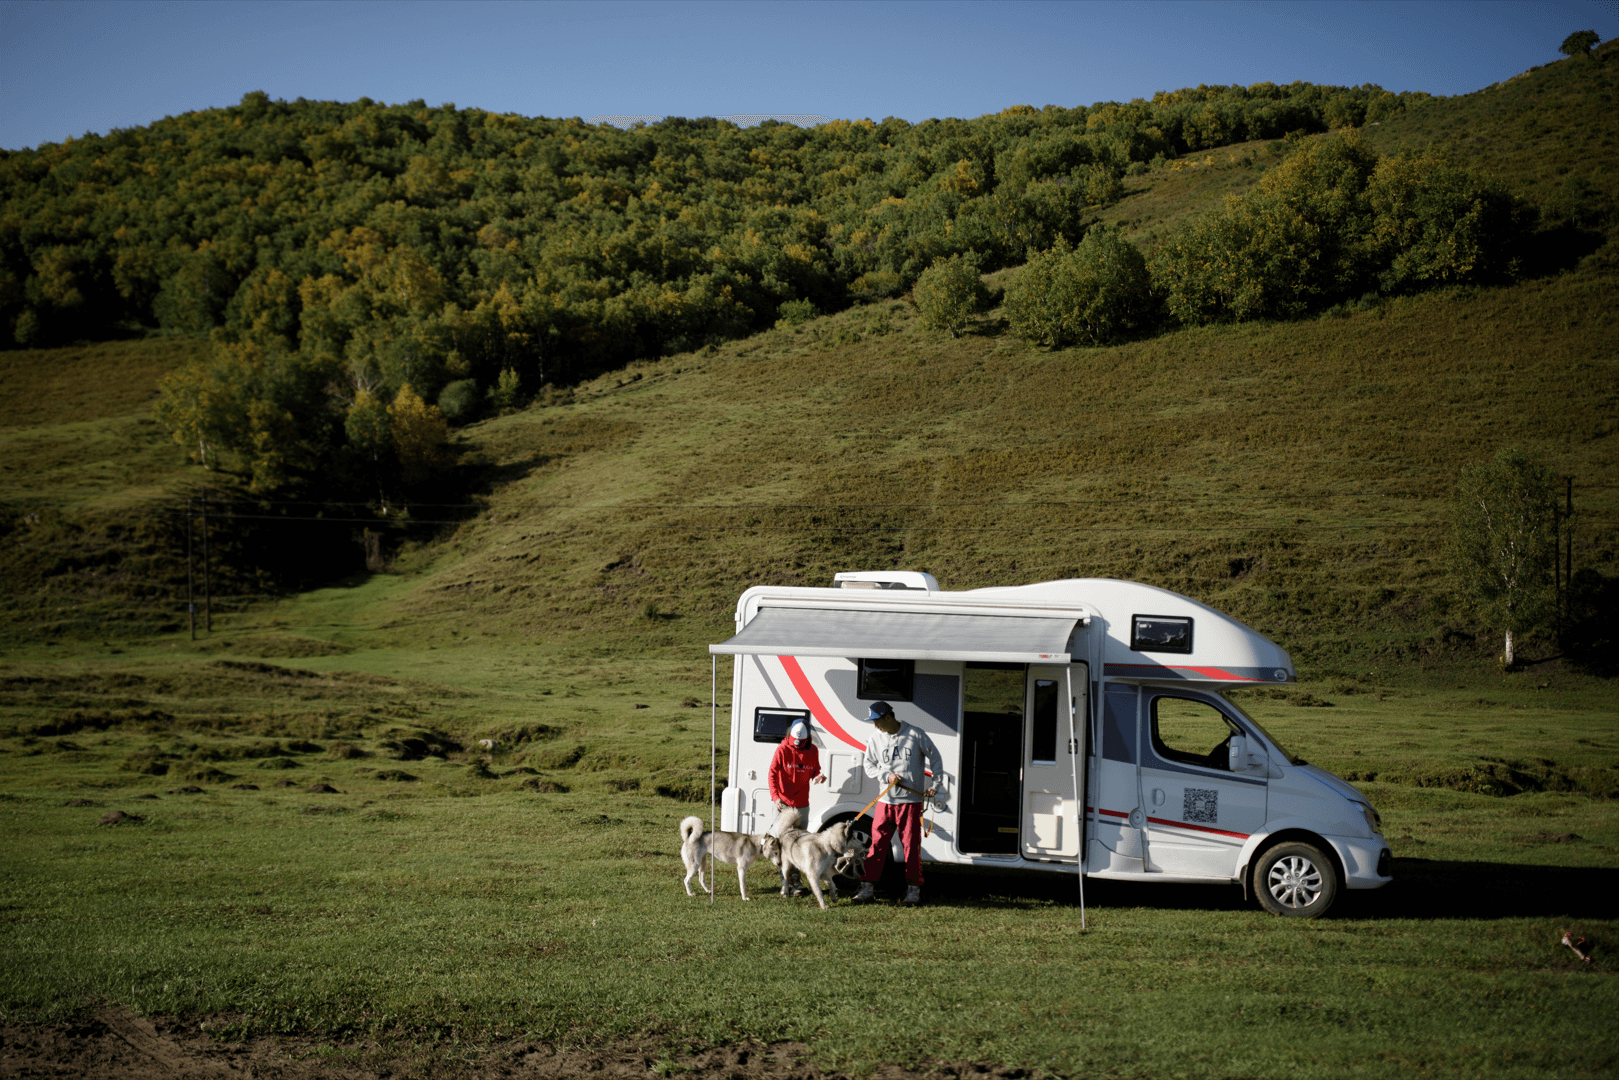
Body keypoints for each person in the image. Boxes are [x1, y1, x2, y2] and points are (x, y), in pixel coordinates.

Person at [852, 701, 943, 906]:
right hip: (885, 802)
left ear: (888, 717)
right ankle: (867, 889)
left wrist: (936, 784)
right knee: (877, 845)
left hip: (911, 803)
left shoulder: (915, 734)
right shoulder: (876, 738)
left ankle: (913, 891)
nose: (874, 726)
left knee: (911, 847)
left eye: (876, 721)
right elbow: (869, 765)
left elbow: (935, 757)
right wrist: (885, 775)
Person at [767, 719, 826, 895]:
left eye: (801, 743)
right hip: (783, 805)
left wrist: (818, 776)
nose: (797, 745)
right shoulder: (782, 750)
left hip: (802, 806)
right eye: (795, 742)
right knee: (784, 845)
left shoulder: (813, 751)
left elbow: (816, 770)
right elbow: (771, 774)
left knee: (799, 844)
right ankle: (787, 882)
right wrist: (776, 798)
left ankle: (796, 882)